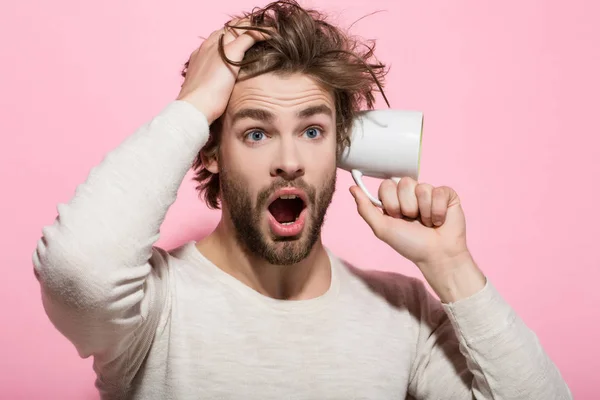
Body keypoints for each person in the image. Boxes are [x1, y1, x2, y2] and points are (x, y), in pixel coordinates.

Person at [33, 1, 571, 399]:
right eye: (255, 133)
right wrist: (195, 105)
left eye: (312, 131)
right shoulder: (150, 307)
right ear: (210, 151)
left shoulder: (404, 315)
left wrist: (451, 266)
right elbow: (78, 270)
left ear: (341, 146)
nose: (289, 160)